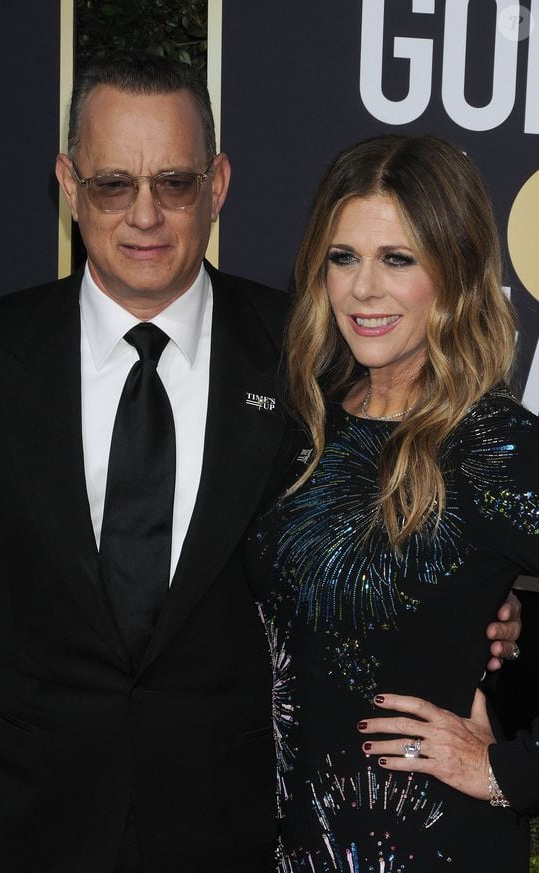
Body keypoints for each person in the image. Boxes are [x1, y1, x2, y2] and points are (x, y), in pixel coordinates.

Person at [0, 58, 519, 873]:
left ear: (218, 184)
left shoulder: (322, 359)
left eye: (176, 183)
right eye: (114, 183)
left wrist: (492, 625)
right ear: (68, 183)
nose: (145, 215)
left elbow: (425, 535)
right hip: (21, 835)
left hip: (243, 838)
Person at [244, 134, 538, 872]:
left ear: (455, 271)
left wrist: (511, 771)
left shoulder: (491, 444)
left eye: (397, 259)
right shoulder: (302, 424)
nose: (363, 289)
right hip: (280, 842)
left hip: (426, 848)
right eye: (344, 257)